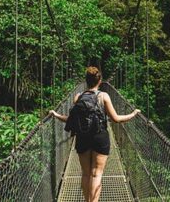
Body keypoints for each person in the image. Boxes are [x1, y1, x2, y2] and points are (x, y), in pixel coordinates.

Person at [49, 66, 141, 202]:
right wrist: (133, 114)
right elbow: (115, 119)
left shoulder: (78, 97)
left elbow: (71, 119)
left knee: (86, 174)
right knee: (96, 174)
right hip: (100, 137)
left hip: (82, 137)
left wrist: (56, 114)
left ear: (86, 81)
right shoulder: (104, 96)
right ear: (100, 81)